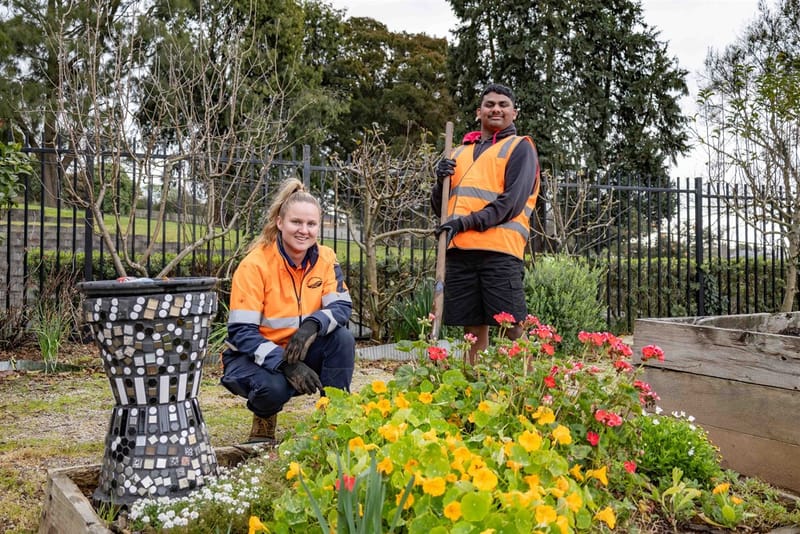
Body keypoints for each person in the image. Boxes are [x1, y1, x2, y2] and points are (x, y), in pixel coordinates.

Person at [220, 178, 355, 444]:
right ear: (280, 223)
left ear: (318, 227)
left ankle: (336, 419)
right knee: (273, 388)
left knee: (342, 339)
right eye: (296, 222)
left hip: (301, 349)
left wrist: (313, 325)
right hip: (253, 357)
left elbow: (341, 305)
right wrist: (284, 364)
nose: (303, 230)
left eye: (311, 224)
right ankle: (264, 420)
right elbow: (241, 332)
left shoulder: (326, 258)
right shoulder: (255, 264)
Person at [431, 83, 540, 364]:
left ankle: (528, 391)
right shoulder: (457, 153)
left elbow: (510, 205)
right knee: (472, 329)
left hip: (499, 253)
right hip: (460, 252)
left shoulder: (520, 148)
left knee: (513, 325)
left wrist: (463, 224)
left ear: (514, 113)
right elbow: (441, 207)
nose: (496, 109)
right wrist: (438, 181)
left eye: (503, 105)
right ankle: (474, 387)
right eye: (490, 104)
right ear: (479, 112)